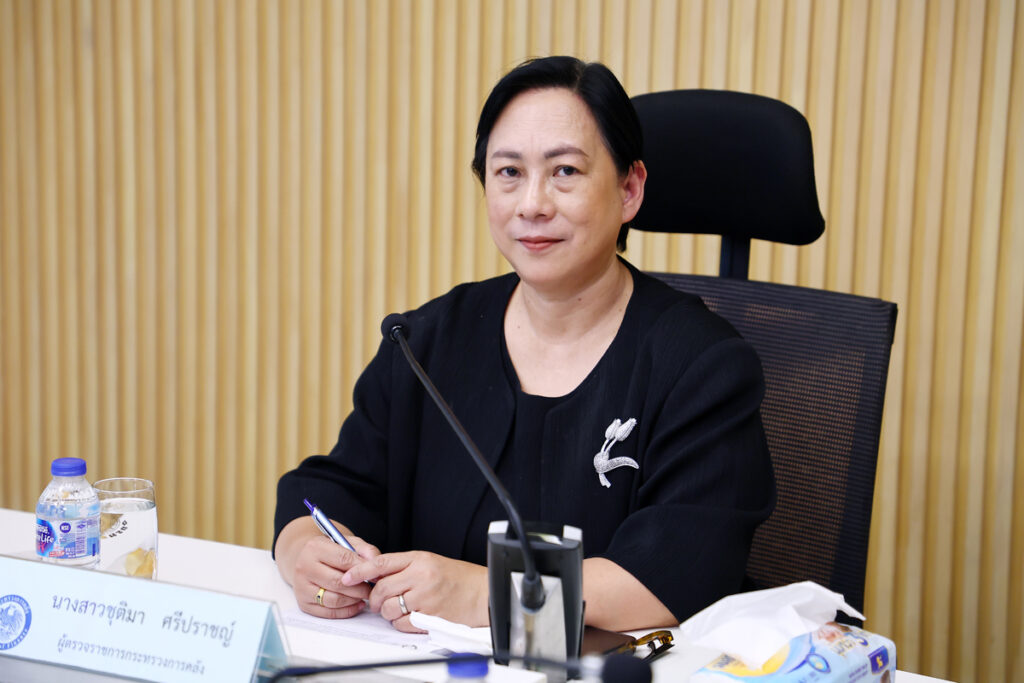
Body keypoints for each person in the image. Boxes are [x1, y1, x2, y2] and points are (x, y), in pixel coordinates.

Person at [273, 56, 774, 634]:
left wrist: (488, 595)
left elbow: (677, 575)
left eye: (565, 171)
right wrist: (306, 552)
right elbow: (328, 492)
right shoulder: (426, 341)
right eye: (509, 172)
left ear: (629, 189)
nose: (532, 203)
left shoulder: (703, 366)